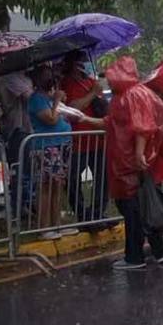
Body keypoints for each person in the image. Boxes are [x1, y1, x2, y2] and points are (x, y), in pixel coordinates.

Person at [104, 56, 163, 270]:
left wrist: (140, 154)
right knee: (147, 204)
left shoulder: (133, 94)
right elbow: (117, 122)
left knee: (134, 209)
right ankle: (159, 252)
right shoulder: (130, 94)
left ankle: (135, 257)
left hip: (131, 162)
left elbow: (143, 126)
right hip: (133, 161)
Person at [27, 64, 76, 238]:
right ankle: (43, 227)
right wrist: (56, 101)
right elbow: (50, 120)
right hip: (47, 146)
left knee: (57, 185)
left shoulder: (48, 97)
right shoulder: (37, 99)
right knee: (46, 186)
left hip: (62, 144)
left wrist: (59, 102)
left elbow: (60, 115)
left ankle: (56, 224)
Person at [60, 51, 109, 223]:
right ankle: (81, 212)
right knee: (73, 179)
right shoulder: (66, 84)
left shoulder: (91, 82)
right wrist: (92, 94)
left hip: (97, 140)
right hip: (77, 141)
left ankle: (97, 211)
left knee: (102, 178)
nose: (84, 64)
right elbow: (73, 108)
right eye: (81, 61)